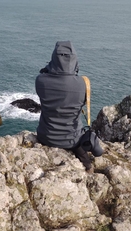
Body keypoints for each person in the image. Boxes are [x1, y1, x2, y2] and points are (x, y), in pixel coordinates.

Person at [35, 41, 93, 173]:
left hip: (45, 136)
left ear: (53, 59)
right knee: (81, 148)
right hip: (72, 140)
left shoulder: (40, 80)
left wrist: (49, 69)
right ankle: (88, 167)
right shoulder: (83, 84)